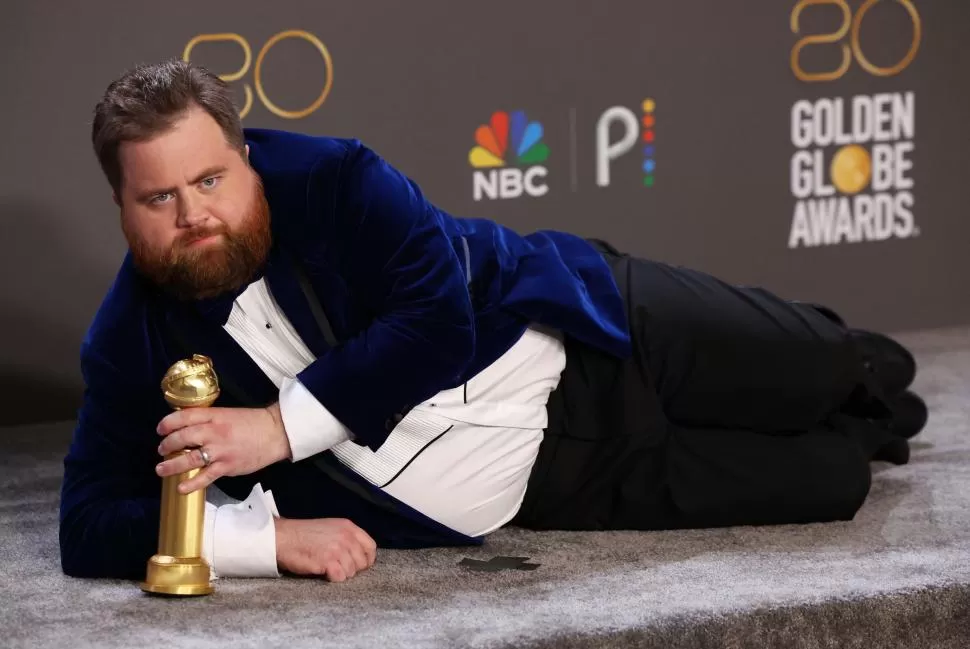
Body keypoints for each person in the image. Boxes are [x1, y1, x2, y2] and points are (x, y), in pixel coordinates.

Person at [59, 59, 928, 584]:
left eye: (209, 181)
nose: (193, 214)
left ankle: (856, 371)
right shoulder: (127, 341)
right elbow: (87, 523)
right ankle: (859, 428)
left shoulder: (335, 179)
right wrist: (265, 536)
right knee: (831, 475)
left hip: (585, 329)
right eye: (159, 196)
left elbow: (435, 321)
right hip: (558, 482)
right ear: (120, 205)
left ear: (247, 159)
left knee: (823, 368)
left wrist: (278, 430)